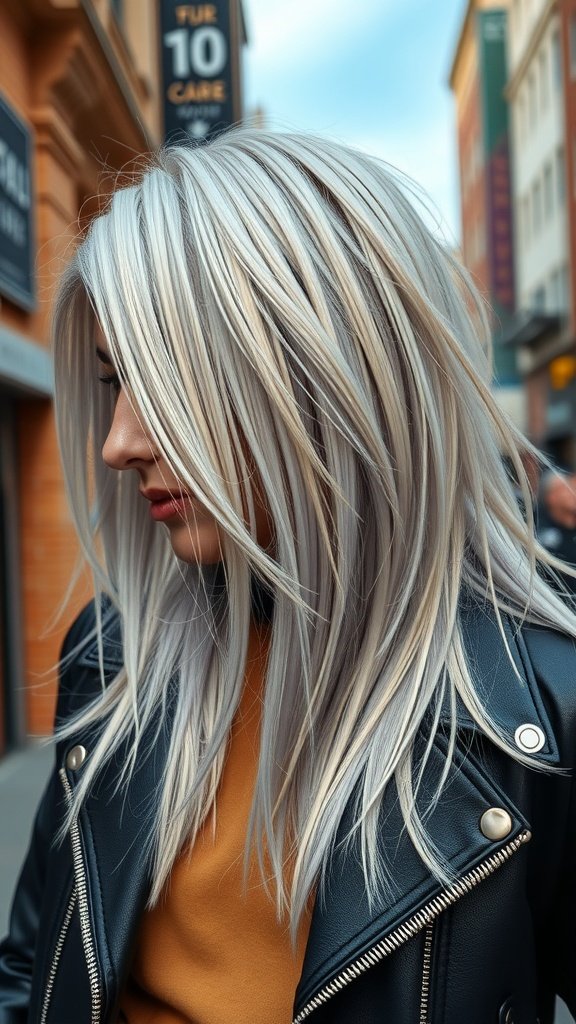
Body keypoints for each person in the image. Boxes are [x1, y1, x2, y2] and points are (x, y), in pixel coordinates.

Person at [1, 128, 576, 1024]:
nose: (117, 442)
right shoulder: (114, 654)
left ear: (325, 378)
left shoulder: (537, 715)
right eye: (115, 381)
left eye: (165, 380)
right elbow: (32, 965)